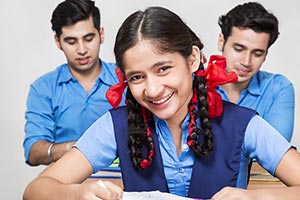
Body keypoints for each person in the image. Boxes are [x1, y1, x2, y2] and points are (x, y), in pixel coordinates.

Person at [23, 6, 300, 200]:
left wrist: (257, 197)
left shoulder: (244, 123)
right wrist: (78, 193)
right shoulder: (114, 126)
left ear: (192, 59)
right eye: (137, 77)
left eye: (164, 69)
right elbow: (35, 191)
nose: (153, 89)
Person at [23, 0, 125, 166]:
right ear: (58, 42)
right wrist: (75, 149)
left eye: (89, 38)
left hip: (122, 180)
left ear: (101, 35)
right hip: (66, 181)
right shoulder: (44, 88)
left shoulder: (126, 78)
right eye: (71, 41)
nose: (82, 49)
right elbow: (33, 151)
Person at [216, 2, 295, 141]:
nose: (246, 62)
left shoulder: (278, 88)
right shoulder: (194, 82)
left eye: (257, 53)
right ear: (221, 42)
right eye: (239, 49)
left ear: (266, 54)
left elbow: (274, 155)